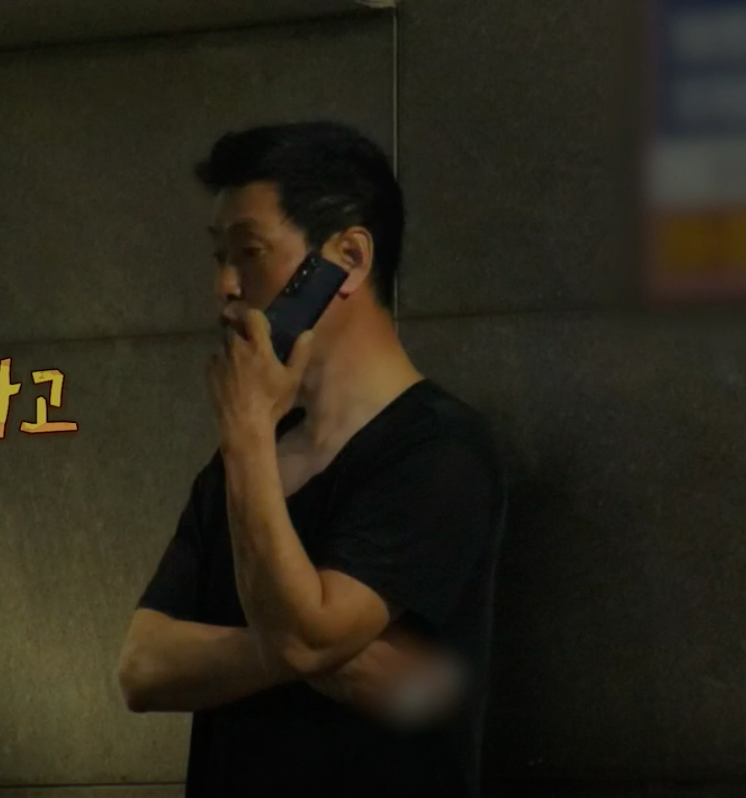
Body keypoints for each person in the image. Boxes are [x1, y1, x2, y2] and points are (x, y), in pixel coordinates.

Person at [116, 121, 506, 797]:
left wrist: (247, 431)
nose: (226, 287)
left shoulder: (440, 451)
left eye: (250, 253)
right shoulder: (240, 464)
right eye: (219, 257)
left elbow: (306, 634)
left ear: (347, 259)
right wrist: (324, 660)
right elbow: (142, 668)